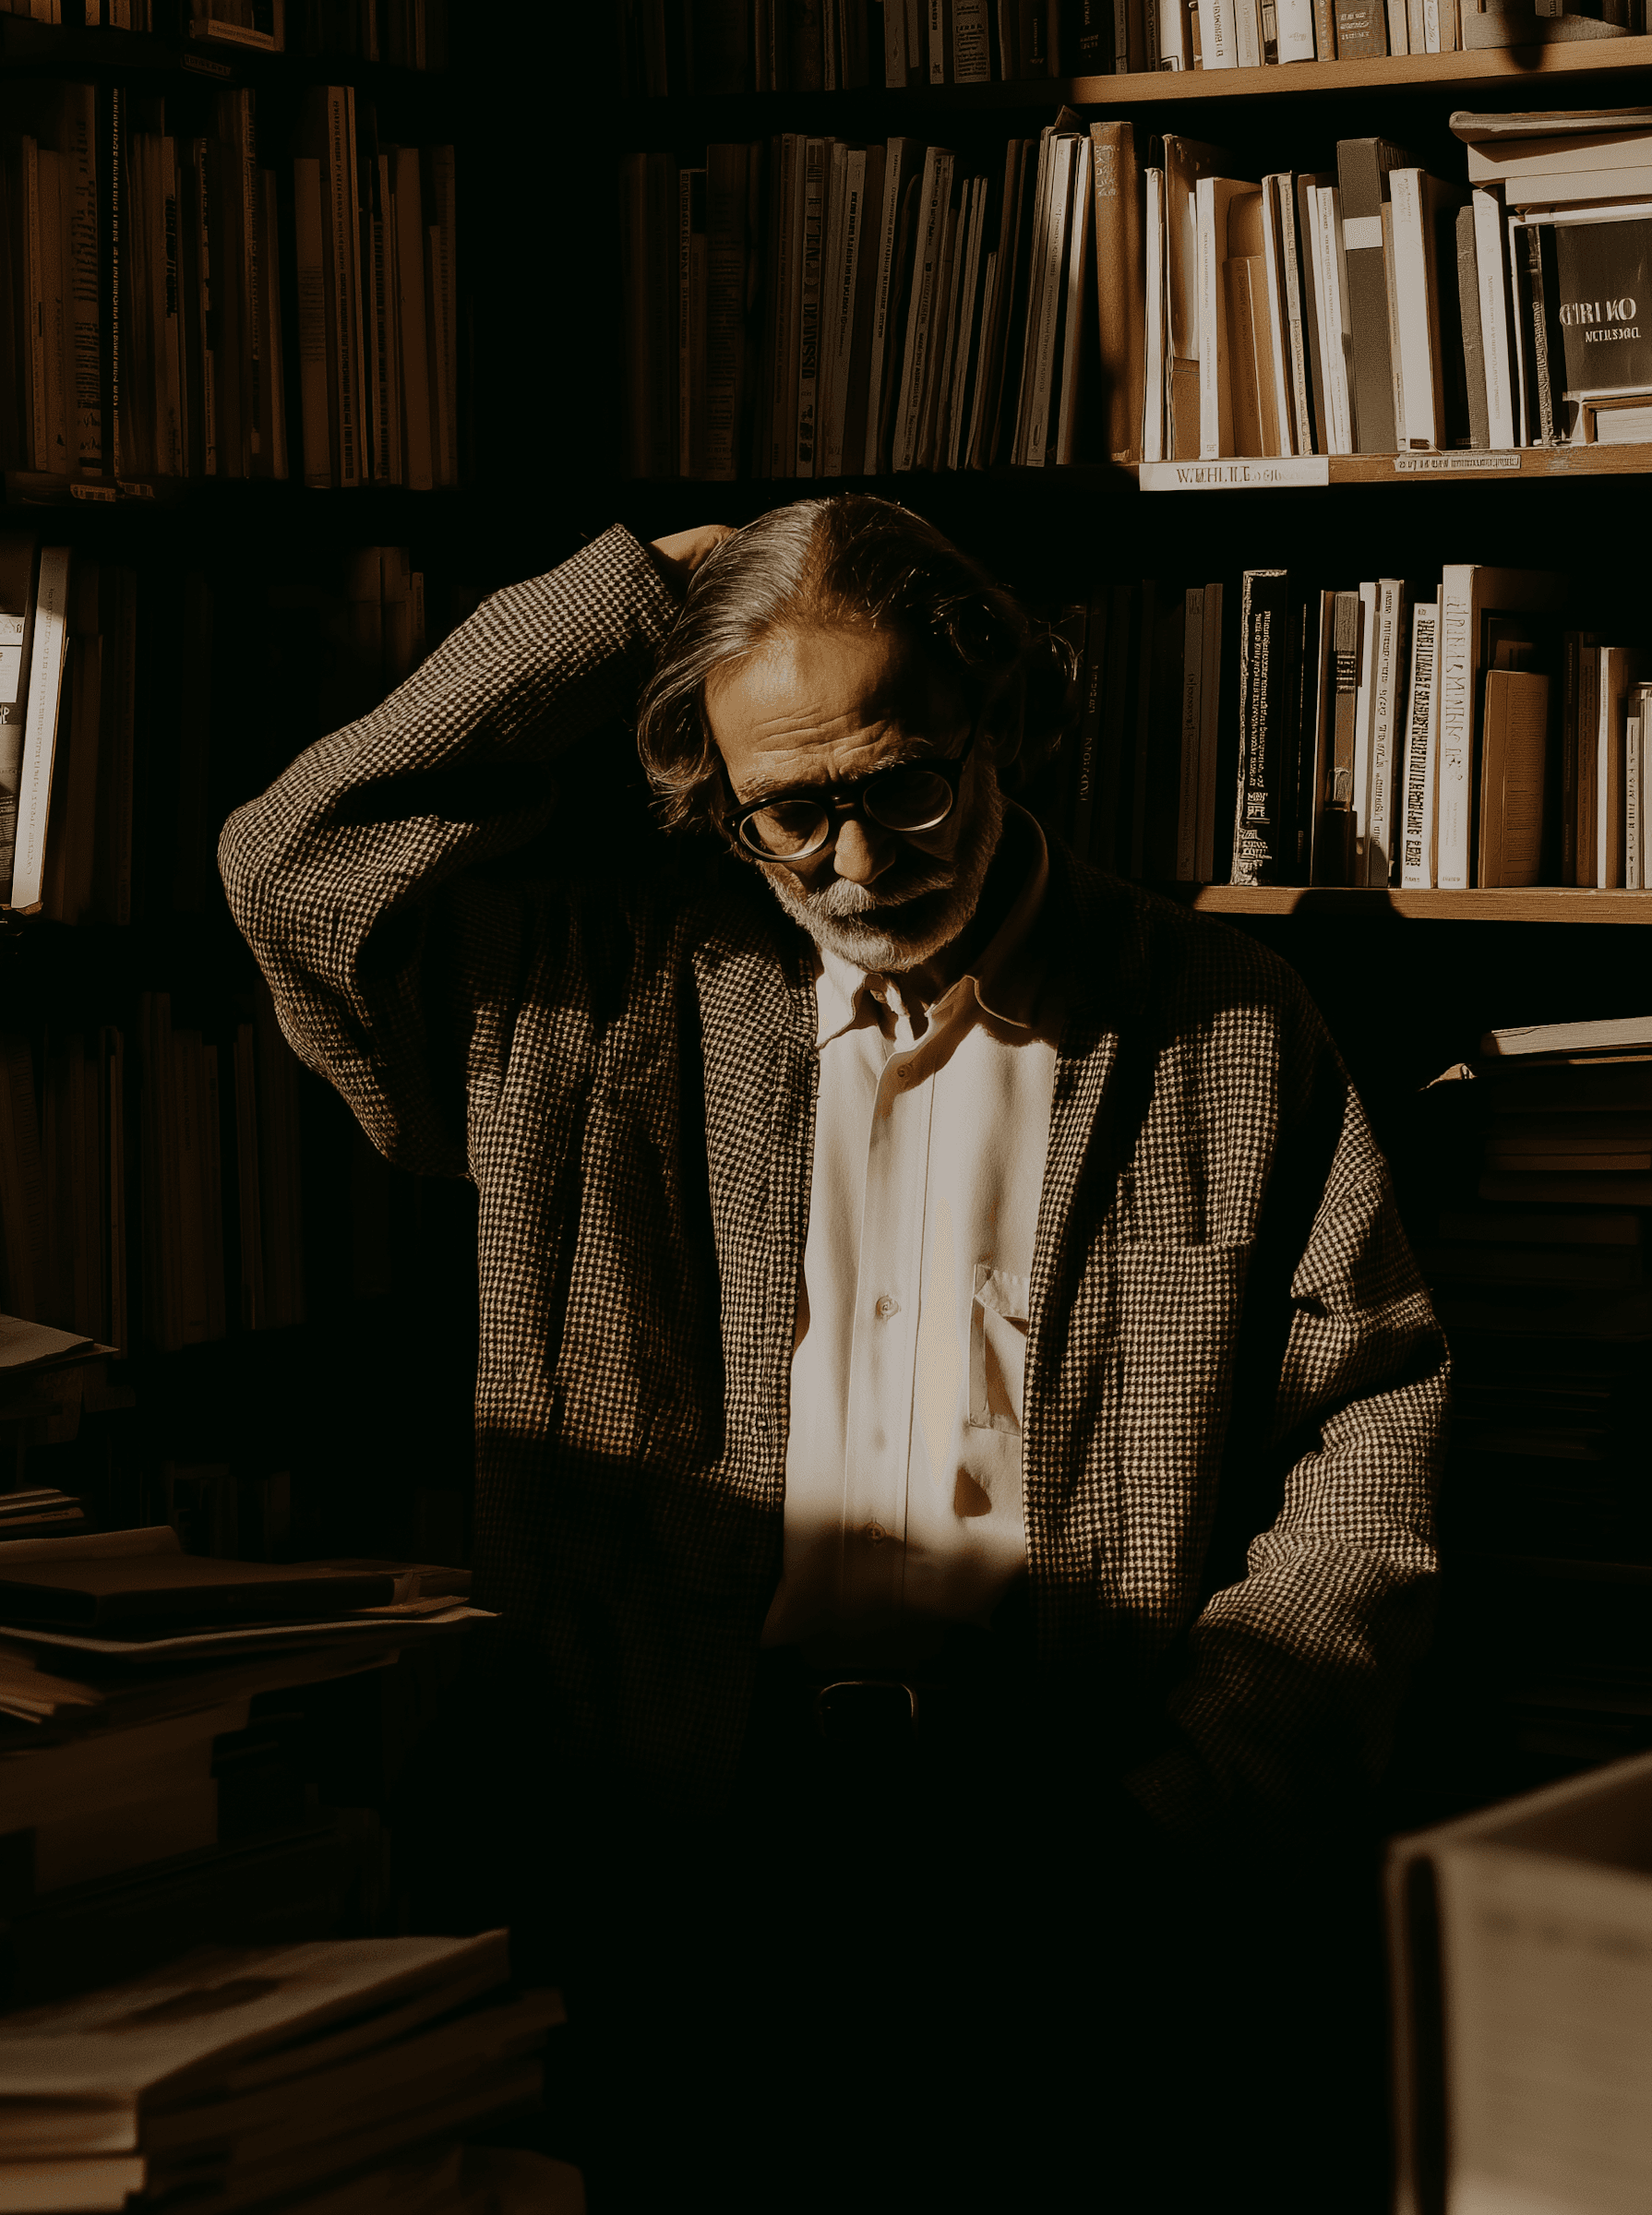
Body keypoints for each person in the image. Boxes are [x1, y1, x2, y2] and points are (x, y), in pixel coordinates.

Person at [221, 498, 1447, 2214]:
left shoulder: (1225, 1025)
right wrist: (624, 598)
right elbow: (294, 863)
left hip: (1072, 1840)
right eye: (788, 814)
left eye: (904, 786)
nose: (857, 868)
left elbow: (1373, 1434)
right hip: (664, 1852)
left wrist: (1204, 1797)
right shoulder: (586, 994)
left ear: (999, 718)